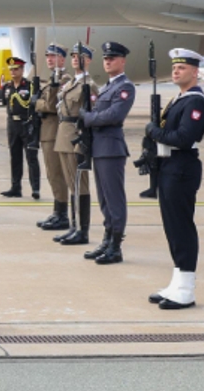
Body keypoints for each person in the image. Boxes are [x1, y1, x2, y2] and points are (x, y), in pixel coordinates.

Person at [145, 49, 204, 309]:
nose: (176, 71)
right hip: (169, 166)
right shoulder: (179, 99)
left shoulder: (196, 102)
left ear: (195, 72)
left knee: (182, 227)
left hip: (182, 167)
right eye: (174, 67)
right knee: (172, 227)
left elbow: (184, 138)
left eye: (182, 68)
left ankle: (186, 289)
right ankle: (177, 282)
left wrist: (154, 132)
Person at [80, 42, 135, 265]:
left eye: (112, 58)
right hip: (99, 148)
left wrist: (88, 118)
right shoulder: (107, 87)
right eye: (105, 58)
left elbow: (113, 115)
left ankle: (116, 245)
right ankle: (107, 239)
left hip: (111, 149)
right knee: (103, 199)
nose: (108, 61)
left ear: (122, 61)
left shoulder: (125, 87)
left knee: (114, 199)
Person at [53, 44, 97, 246]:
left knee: (80, 184)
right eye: (72, 56)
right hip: (63, 135)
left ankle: (82, 230)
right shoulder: (71, 82)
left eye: (78, 56)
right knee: (72, 184)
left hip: (75, 137)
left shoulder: (89, 85)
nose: (74, 59)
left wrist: (84, 144)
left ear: (87, 60)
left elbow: (90, 115)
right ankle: (74, 225)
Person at [35, 44, 72, 230]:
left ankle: (62, 214)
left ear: (62, 59)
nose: (49, 59)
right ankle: (58, 210)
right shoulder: (51, 79)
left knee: (57, 174)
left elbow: (49, 105)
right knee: (52, 174)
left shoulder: (64, 79)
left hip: (55, 132)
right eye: (48, 55)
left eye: (54, 56)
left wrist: (37, 103)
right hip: (48, 132)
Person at [0, 56, 41, 200]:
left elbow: (35, 105)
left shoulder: (29, 86)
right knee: (15, 157)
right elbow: (5, 103)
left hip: (27, 124)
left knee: (31, 158)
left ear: (22, 70)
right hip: (12, 125)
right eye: (11, 69)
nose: (13, 72)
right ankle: (15, 187)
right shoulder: (7, 87)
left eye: (16, 69)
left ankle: (35, 188)